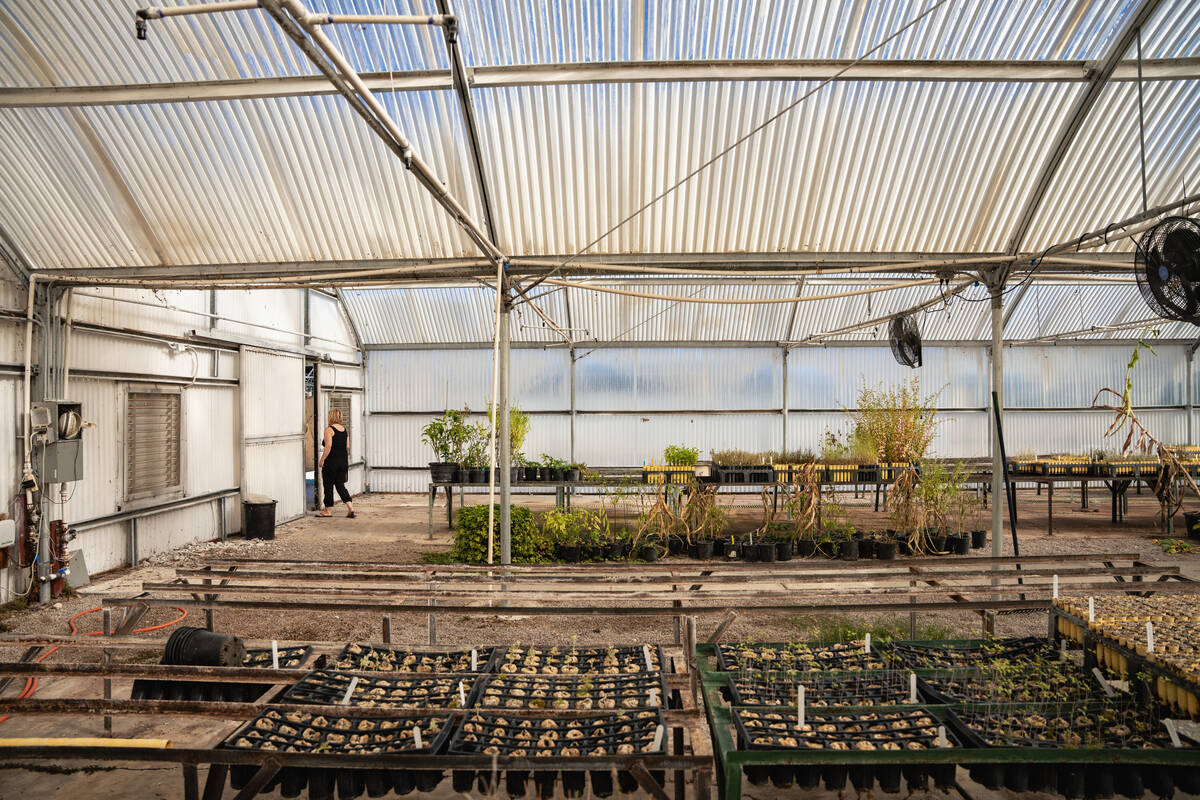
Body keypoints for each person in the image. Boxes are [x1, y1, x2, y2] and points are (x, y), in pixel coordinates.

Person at [318, 408, 355, 518]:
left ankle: (328, 511)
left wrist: (322, 459)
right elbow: (347, 446)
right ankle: (350, 507)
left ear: (330, 417)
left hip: (331, 462)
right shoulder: (344, 430)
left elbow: (328, 446)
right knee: (340, 485)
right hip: (343, 461)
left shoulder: (329, 430)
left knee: (328, 486)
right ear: (339, 417)